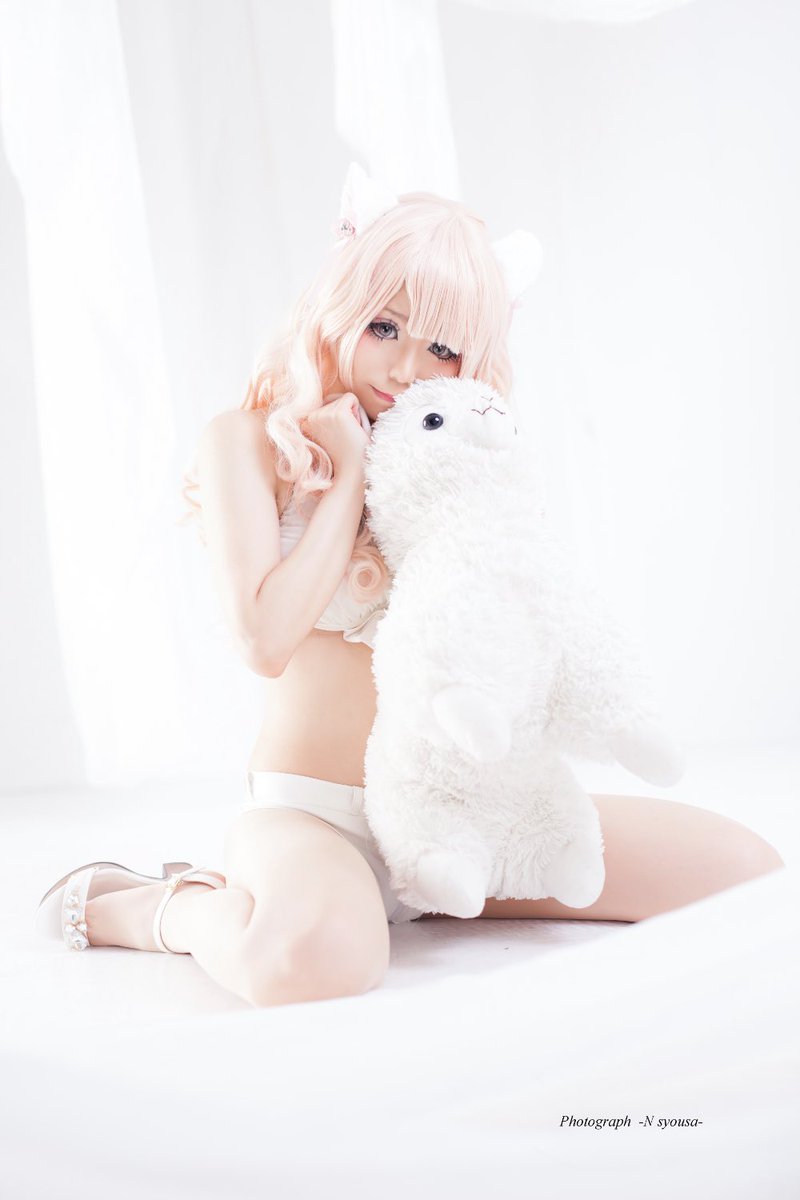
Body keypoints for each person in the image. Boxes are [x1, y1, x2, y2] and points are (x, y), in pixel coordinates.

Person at [36, 173, 785, 1008]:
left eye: (443, 349)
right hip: (315, 815)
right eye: (385, 327)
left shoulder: (461, 456)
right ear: (339, 311)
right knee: (312, 965)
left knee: (747, 875)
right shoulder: (245, 443)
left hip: (468, 807)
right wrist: (346, 476)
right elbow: (263, 640)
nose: (406, 366)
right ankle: (165, 908)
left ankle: (438, 887)